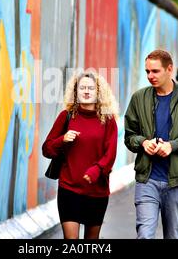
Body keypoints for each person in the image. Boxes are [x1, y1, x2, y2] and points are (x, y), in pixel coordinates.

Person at [124, 49, 178, 239]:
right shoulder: (139, 98)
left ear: (169, 69)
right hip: (147, 178)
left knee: (172, 235)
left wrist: (174, 145)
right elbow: (130, 136)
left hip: (177, 181)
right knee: (145, 235)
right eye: (147, 71)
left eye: (155, 71)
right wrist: (143, 142)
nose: (150, 76)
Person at [42, 71, 119, 239]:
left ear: (98, 92)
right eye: (82, 88)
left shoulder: (108, 120)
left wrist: (96, 171)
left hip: (97, 191)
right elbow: (47, 149)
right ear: (75, 92)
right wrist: (62, 139)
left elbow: (110, 154)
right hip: (69, 189)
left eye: (90, 88)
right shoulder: (66, 116)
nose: (86, 91)